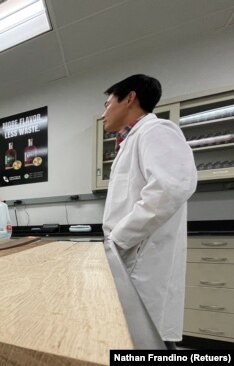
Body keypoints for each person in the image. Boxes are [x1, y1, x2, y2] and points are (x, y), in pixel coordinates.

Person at [101, 74, 197, 349]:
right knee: (136, 337)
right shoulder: (130, 140)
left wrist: (117, 240)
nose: (104, 112)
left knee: (148, 340)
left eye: (108, 103)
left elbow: (169, 189)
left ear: (130, 98)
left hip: (142, 259)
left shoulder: (158, 131)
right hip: (128, 254)